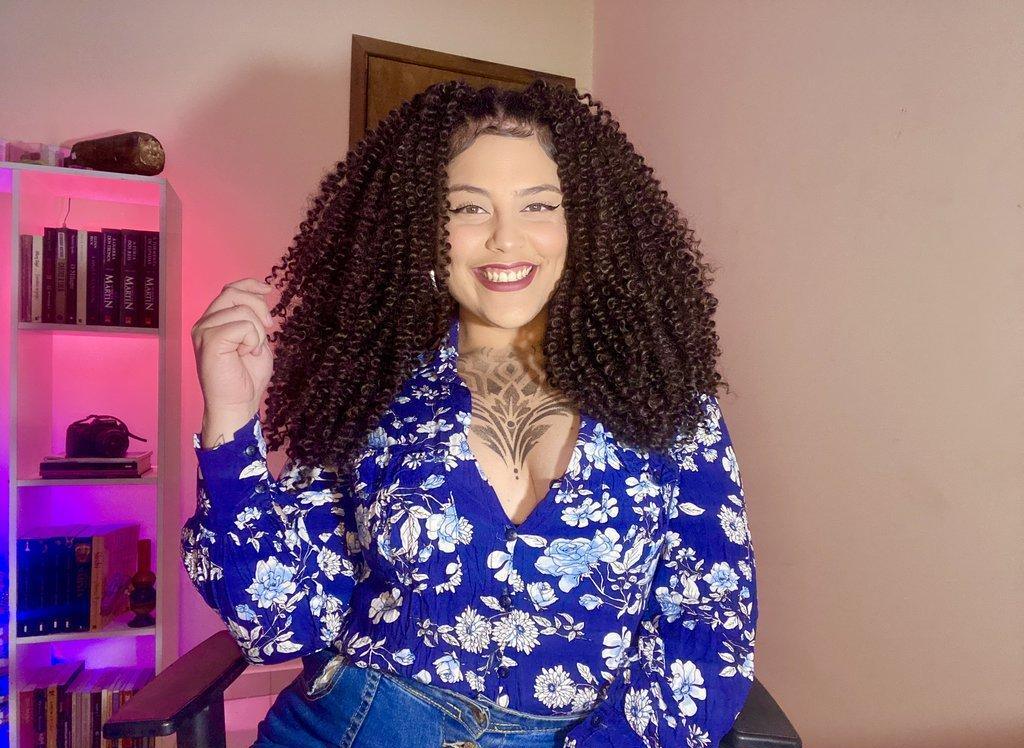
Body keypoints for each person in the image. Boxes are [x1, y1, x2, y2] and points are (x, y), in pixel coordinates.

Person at [184, 79, 757, 748]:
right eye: (468, 208)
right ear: (426, 230)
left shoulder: (668, 401)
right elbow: (277, 620)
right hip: (353, 725)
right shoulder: (368, 388)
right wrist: (231, 420)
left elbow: (711, 626)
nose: (506, 240)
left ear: (586, 221)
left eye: (538, 204)